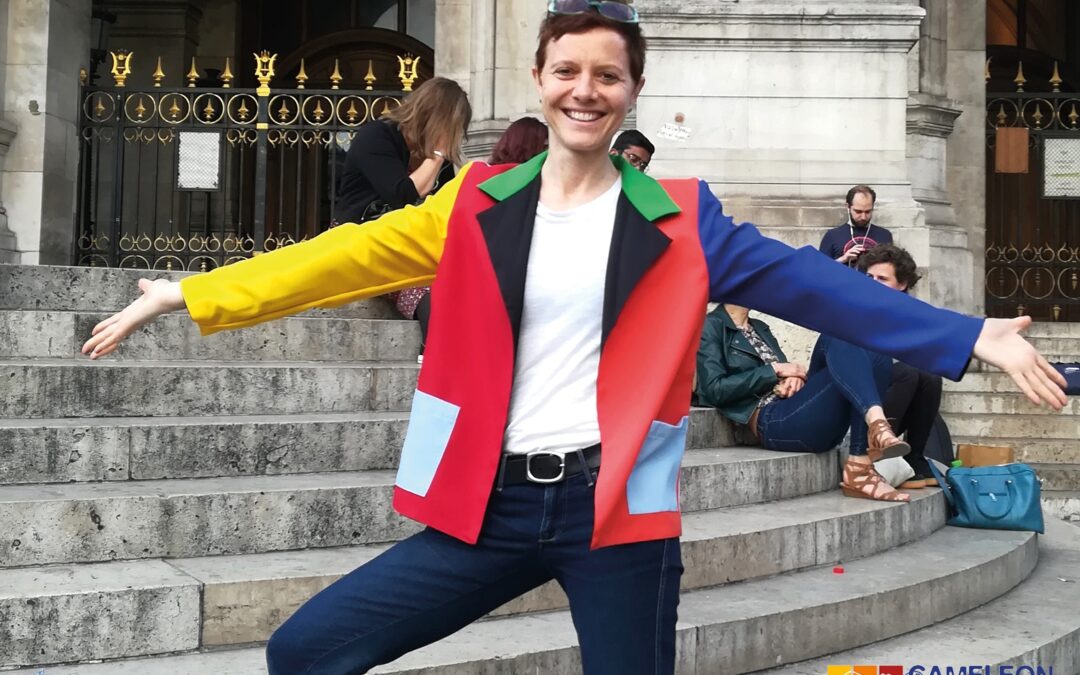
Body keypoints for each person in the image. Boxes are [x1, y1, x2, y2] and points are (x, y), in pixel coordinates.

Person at [80, 2, 1067, 673]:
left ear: (632, 89)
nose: (584, 89)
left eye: (606, 74)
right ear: (540, 79)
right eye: (567, 70)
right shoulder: (475, 201)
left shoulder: (683, 217)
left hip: (616, 512)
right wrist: (190, 292)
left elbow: (814, 285)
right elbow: (344, 257)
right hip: (491, 504)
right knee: (304, 651)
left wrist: (965, 333)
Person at [693, 304, 913, 502]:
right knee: (839, 336)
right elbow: (714, 389)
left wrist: (795, 378)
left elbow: (787, 371)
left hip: (795, 404)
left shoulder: (759, 327)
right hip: (771, 420)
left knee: (866, 344)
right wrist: (774, 371)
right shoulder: (710, 326)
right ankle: (876, 431)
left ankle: (863, 456)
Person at [332, 77, 471, 355]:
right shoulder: (377, 136)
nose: (454, 138)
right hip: (360, 238)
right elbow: (401, 194)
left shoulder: (433, 159)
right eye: (452, 129)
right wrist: (437, 155)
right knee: (421, 287)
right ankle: (434, 355)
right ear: (435, 119)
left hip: (405, 240)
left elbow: (440, 207)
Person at [857, 244, 942, 488]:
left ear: (902, 284)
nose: (873, 284)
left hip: (891, 399)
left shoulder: (908, 316)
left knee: (930, 376)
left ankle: (914, 456)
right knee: (906, 372)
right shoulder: (854, 309)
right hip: (856, 403)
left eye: (882, 279)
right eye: (869, 277)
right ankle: (880, 452)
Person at [819, 184, 894, 266]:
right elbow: (820, 268)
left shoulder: (884, 235)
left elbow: (892, 268)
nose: (863, 217)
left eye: (868, 211)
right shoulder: (832, 236)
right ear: (848, 207)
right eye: (858, 211)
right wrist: (843, 259)